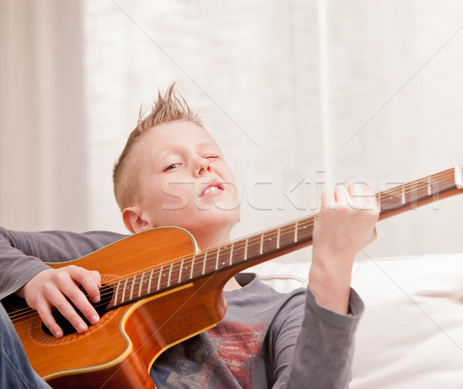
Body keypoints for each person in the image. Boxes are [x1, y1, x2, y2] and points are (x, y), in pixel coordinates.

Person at [0, 84, 379, 388]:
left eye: (211, 155)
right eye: (173, 164)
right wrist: (33, 277)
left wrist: (333, 264)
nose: (201, 165)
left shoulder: (285, 310)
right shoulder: (110, 255)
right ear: (140, 221)